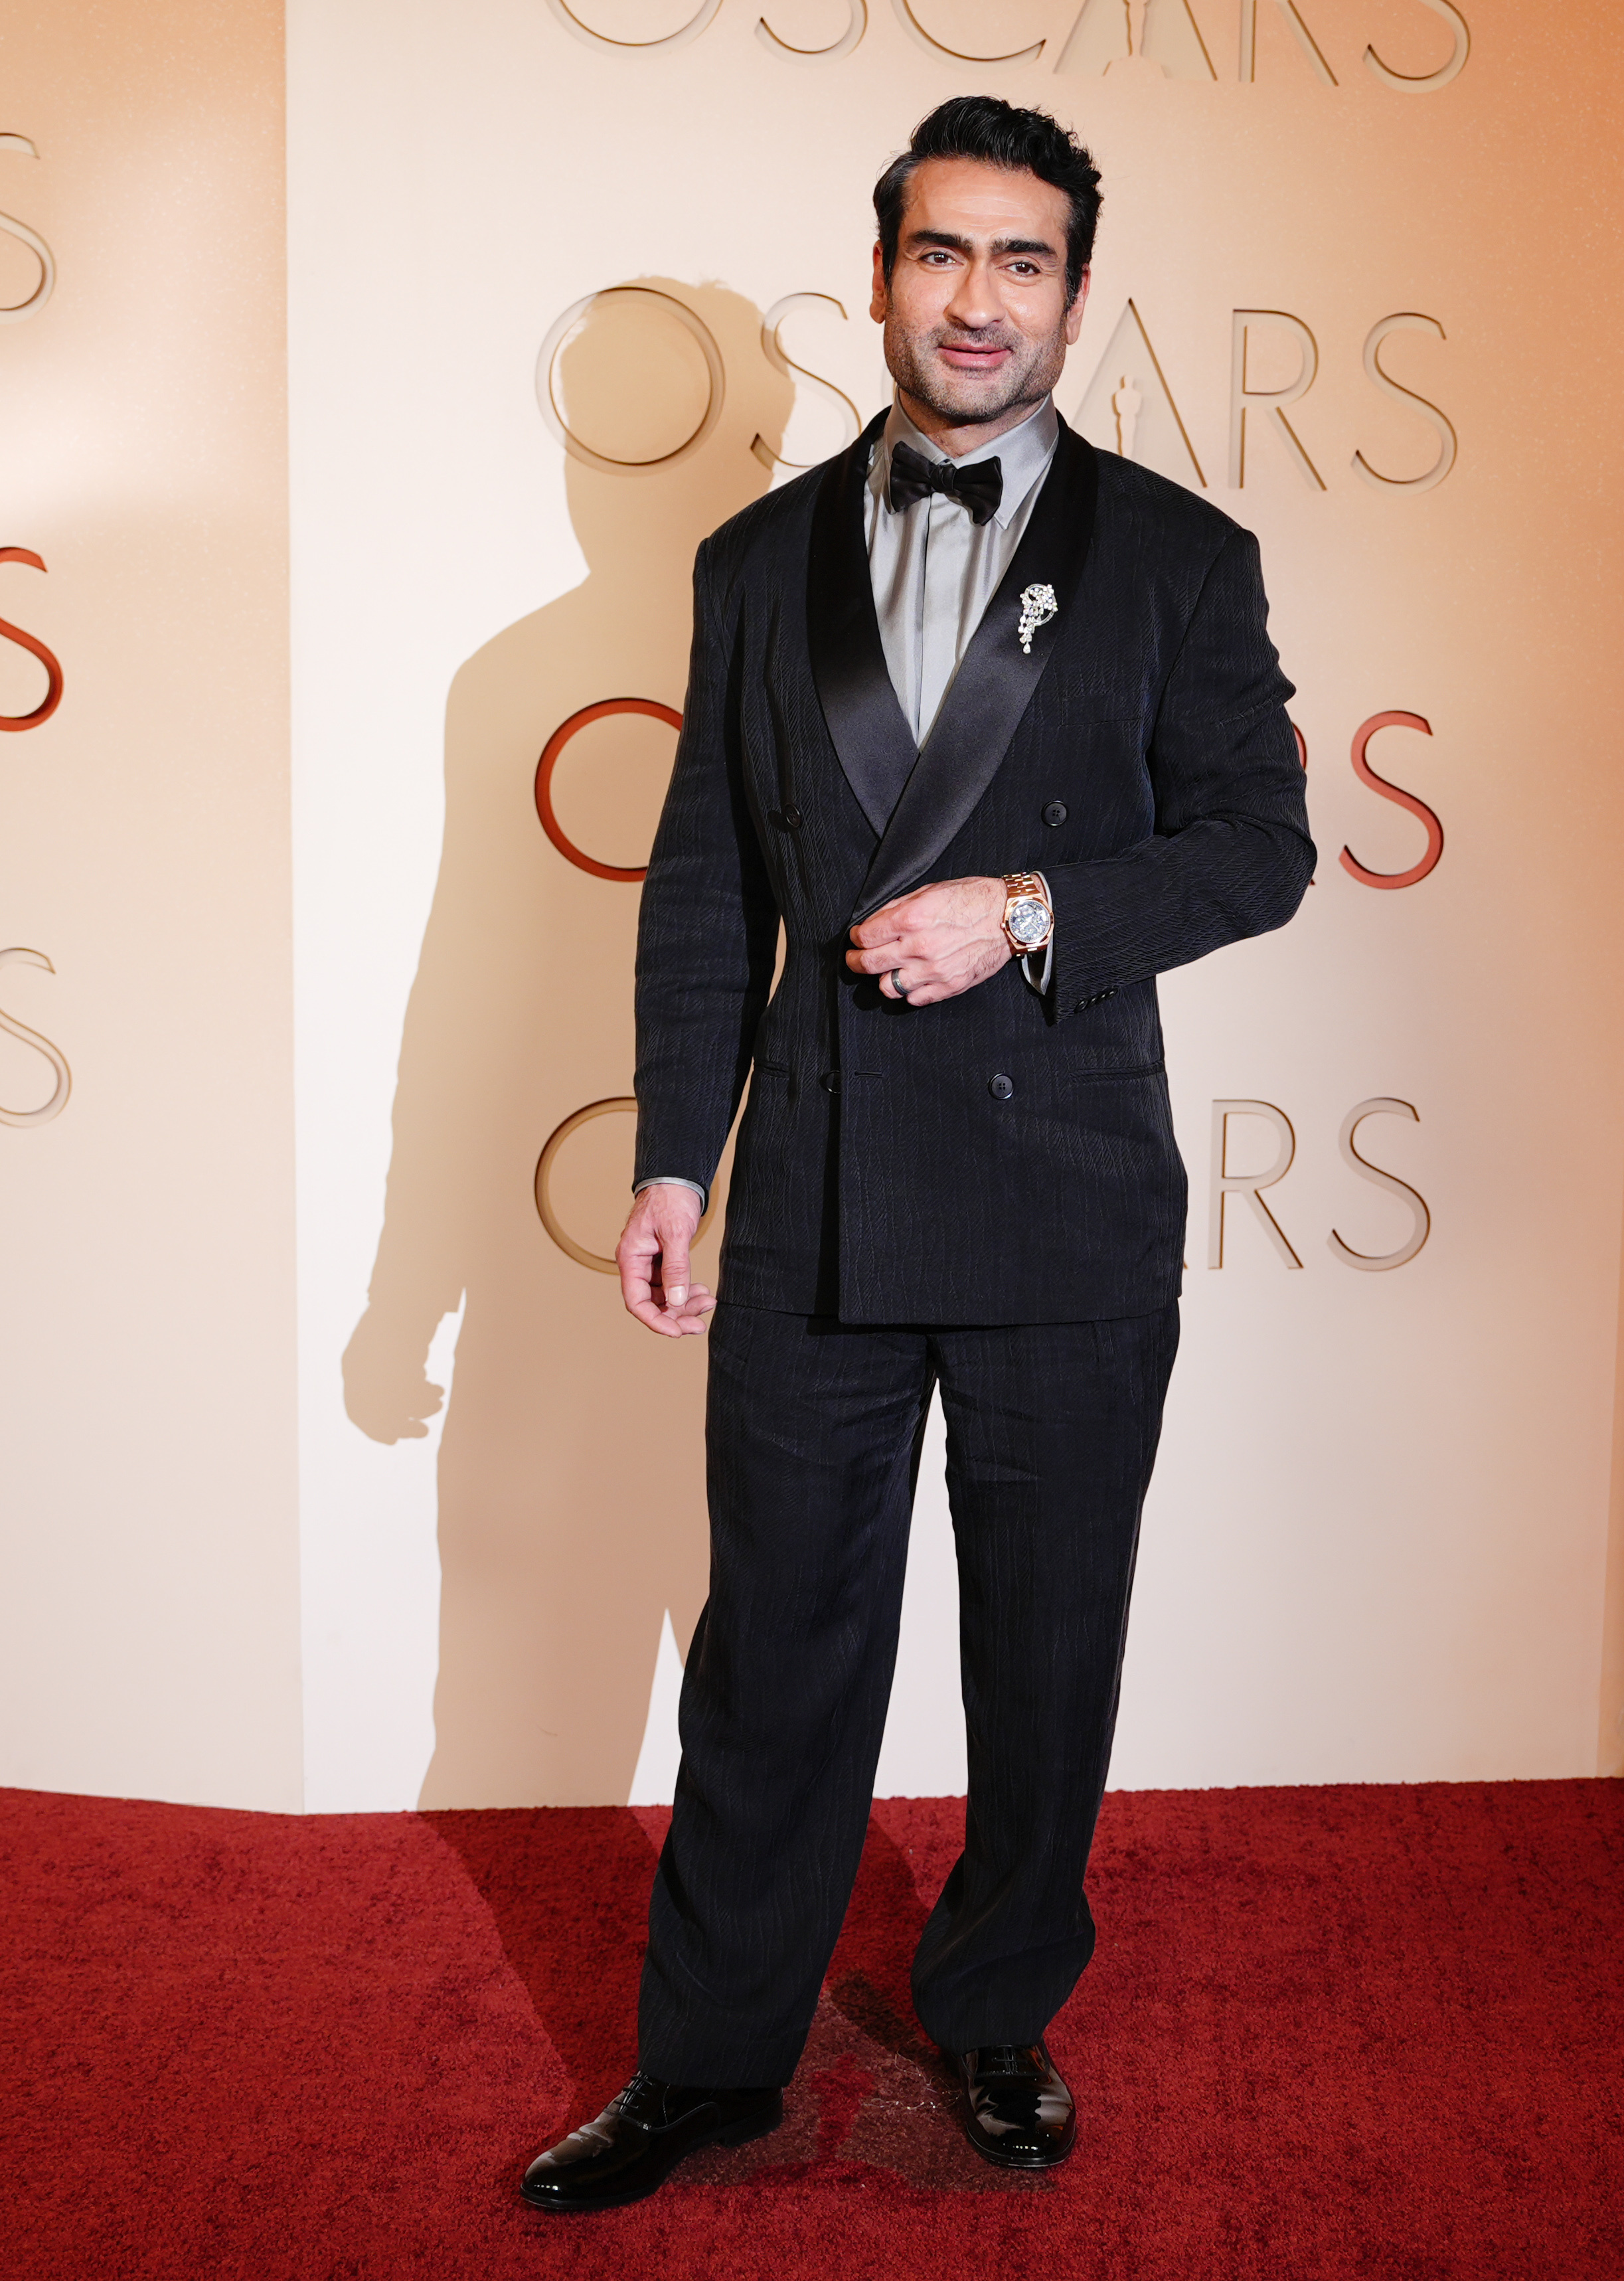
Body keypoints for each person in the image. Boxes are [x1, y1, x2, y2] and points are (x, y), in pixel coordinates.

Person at [517, 95, 1312, 2213]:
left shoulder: (1177, 559)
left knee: (1046, 1645)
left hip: (1068, 1198)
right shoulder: (752, 560)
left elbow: (1260, 846)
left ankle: (995, 2006)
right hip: (814, 1202)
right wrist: (676, 1156)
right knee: (776, 1648)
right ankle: (709, 2059)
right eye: (942, 254)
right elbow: (708, 885)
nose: (979, 300)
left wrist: (1029, 911)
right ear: (878, 276)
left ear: (1074, 295)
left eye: (1021, 262)